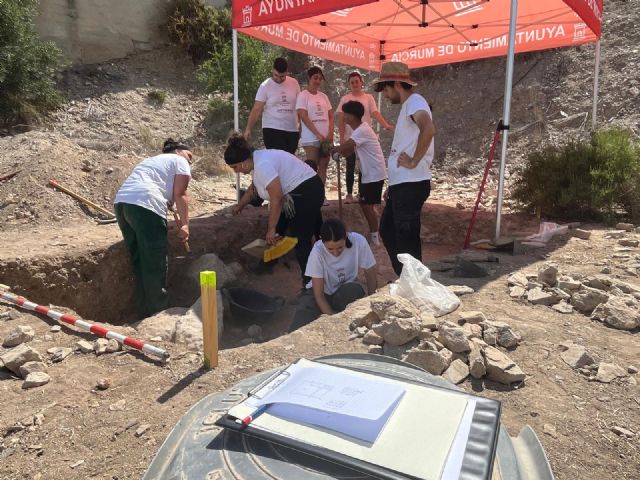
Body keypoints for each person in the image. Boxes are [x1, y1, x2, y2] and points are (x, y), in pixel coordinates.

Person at [224, 134, 324, 286]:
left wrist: (270, 229)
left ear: (244, 162)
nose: (235, 171)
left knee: (300, 238)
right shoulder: (255, 161)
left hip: (307, 191)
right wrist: (240, 206)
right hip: (293, 193)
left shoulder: (263, 164)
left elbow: (276, 198)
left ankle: (310, 283)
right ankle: (267, 264)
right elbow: (253, 189)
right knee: (278, 230)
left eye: (235, 167)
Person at [114, 139, 192, 318]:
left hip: (122, 204)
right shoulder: (180, 161)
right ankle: (158, 313)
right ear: (178, 151)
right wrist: (186, 224)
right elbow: (181, 194)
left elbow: (170, 193)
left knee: (140, 261)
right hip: (145, 205)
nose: (190, 161)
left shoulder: (151, 161)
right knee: (154, 263)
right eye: (190, 156)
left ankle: (143, 312)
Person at [373, 62, 436, 276]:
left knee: (405, 239)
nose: (386, 94)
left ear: (397, 84)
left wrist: (413, 161)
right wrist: (394, 184)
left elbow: (428, 129)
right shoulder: (409, 105)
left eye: (387, 89)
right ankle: (406, 279)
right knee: (389, 230)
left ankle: (414, 283)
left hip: (411, 183)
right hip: (403, 185)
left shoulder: (414, 102)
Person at [290, 218, 377, 332]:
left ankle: (340, 312)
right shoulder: (317, 251)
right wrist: (334, 320)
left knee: (354, 290)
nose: (336, 253)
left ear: (346, 236)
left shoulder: (359, 241)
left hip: (343, 291)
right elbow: (319, 295)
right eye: (330, 249)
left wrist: (373, 304)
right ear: (322, 240)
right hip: (322, 293)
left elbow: (370, 274)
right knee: (300, 321)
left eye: (340, 247)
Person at [332, 100, 386, 246]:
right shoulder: (359, 130)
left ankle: (376, 238)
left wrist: (334, 149)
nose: (343, 117)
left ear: (352, 116)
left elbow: (346, 147)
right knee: (364, 203)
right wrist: (340, 152)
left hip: (373, 172)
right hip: (368, 171)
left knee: (367, 205)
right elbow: (349, 150)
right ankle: (375, 233)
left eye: (345, 114)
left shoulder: (362, 130)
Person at [336, 71, 393, 204]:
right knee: (350, 165)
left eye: (357, 81)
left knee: (363, 164)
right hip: (350, 136)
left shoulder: (368, 98)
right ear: (349, 85)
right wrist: (342, 137)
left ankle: (362, 194)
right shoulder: (345, 99)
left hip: (364, 137)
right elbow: (341, 119)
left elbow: (375, 113)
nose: (355, 84)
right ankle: (349, 193)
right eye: (352, 82)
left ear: (361, 82)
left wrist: (385, 125)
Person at [244, 57, 301, 154]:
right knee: (278, 158)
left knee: (289, 161)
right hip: (272, 128)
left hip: (292, 129)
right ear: (272, 69)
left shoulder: (294, 83)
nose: (278, 79)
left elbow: (299, 106)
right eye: (276, 75)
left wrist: (301, 126)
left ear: (287, 72)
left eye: (282, 76)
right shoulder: (265, 86)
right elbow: (257, 109)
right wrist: (248, 128)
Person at [295, 65, 334, 184]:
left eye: (319, 79)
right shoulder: (303, 95)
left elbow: (331, 116)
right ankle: (313, 196)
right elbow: (303, 116)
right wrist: (317, 134)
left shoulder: (324, 96)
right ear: (309, 78)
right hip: (311, 137)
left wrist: (330, 134)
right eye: (315, 78)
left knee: (323, 166)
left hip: (326, 138)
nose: (317, 81)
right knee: (312, 167)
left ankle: (322, 196)